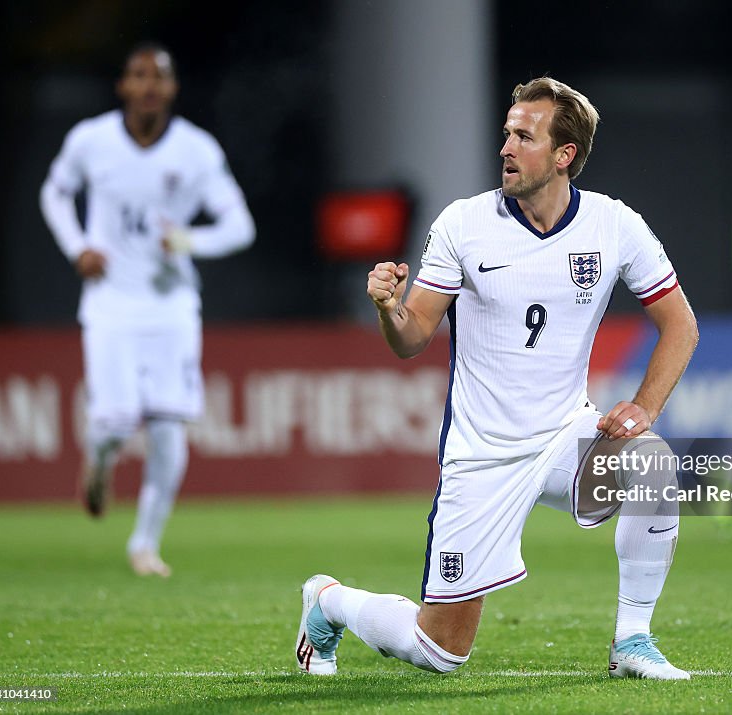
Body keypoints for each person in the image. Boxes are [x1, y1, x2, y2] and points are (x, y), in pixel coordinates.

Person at [295, 77, 699, 679]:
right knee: (440, 654)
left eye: (524, 137)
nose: (506, 147)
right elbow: (411, 338)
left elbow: (681, 326)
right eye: (506, 133)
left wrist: (644, 407)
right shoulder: (464, 224)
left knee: (654, 468)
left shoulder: (613, 226)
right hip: (483, 457)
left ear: (564, 156)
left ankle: (632, 642)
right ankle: (326, 600)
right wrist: (388, 306)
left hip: (562, 437)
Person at [39, 42, 255, 576]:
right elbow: (55, 193)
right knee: (113, 420)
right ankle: (101, 456)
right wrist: (76, 248)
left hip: (170, 305)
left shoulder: (196, 151)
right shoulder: (90, 140)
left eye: (160, 76)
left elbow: (239, 226)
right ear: (124, 86)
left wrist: (187, 242)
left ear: (173, 88)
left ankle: (144, 545)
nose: (150, 85)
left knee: (168, 429)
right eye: (139, 75)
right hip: (110, 303)